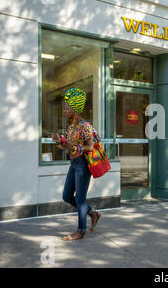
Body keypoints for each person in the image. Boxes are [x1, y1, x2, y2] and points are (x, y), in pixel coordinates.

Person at [51, 88, 102, 241]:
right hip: (73, 164)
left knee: (80, 198)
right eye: (65, 107)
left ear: (75, 108)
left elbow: (91, 146)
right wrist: (60, 142)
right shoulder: (70, 127)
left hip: (83, 165)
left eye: (67, 108)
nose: (65, 110)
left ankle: (81, 230)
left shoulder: (85, 126)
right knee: (66, 196)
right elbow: (67, 147)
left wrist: (75, 148)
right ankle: (92, 213)